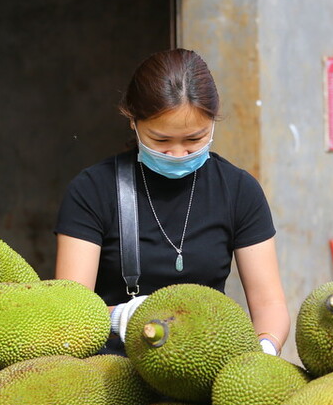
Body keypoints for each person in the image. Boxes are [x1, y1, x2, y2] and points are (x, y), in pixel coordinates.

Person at [54, 48, 289, 355]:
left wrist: (265, 348)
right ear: (133, 122)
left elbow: (269, 304)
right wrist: (119, 317)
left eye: (194, 139)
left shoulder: (239, 190)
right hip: (112, 366)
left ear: (213, 122)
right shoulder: (92, 191)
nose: (178, 154)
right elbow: (69, 312)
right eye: (161, 140)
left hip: (204, 357)